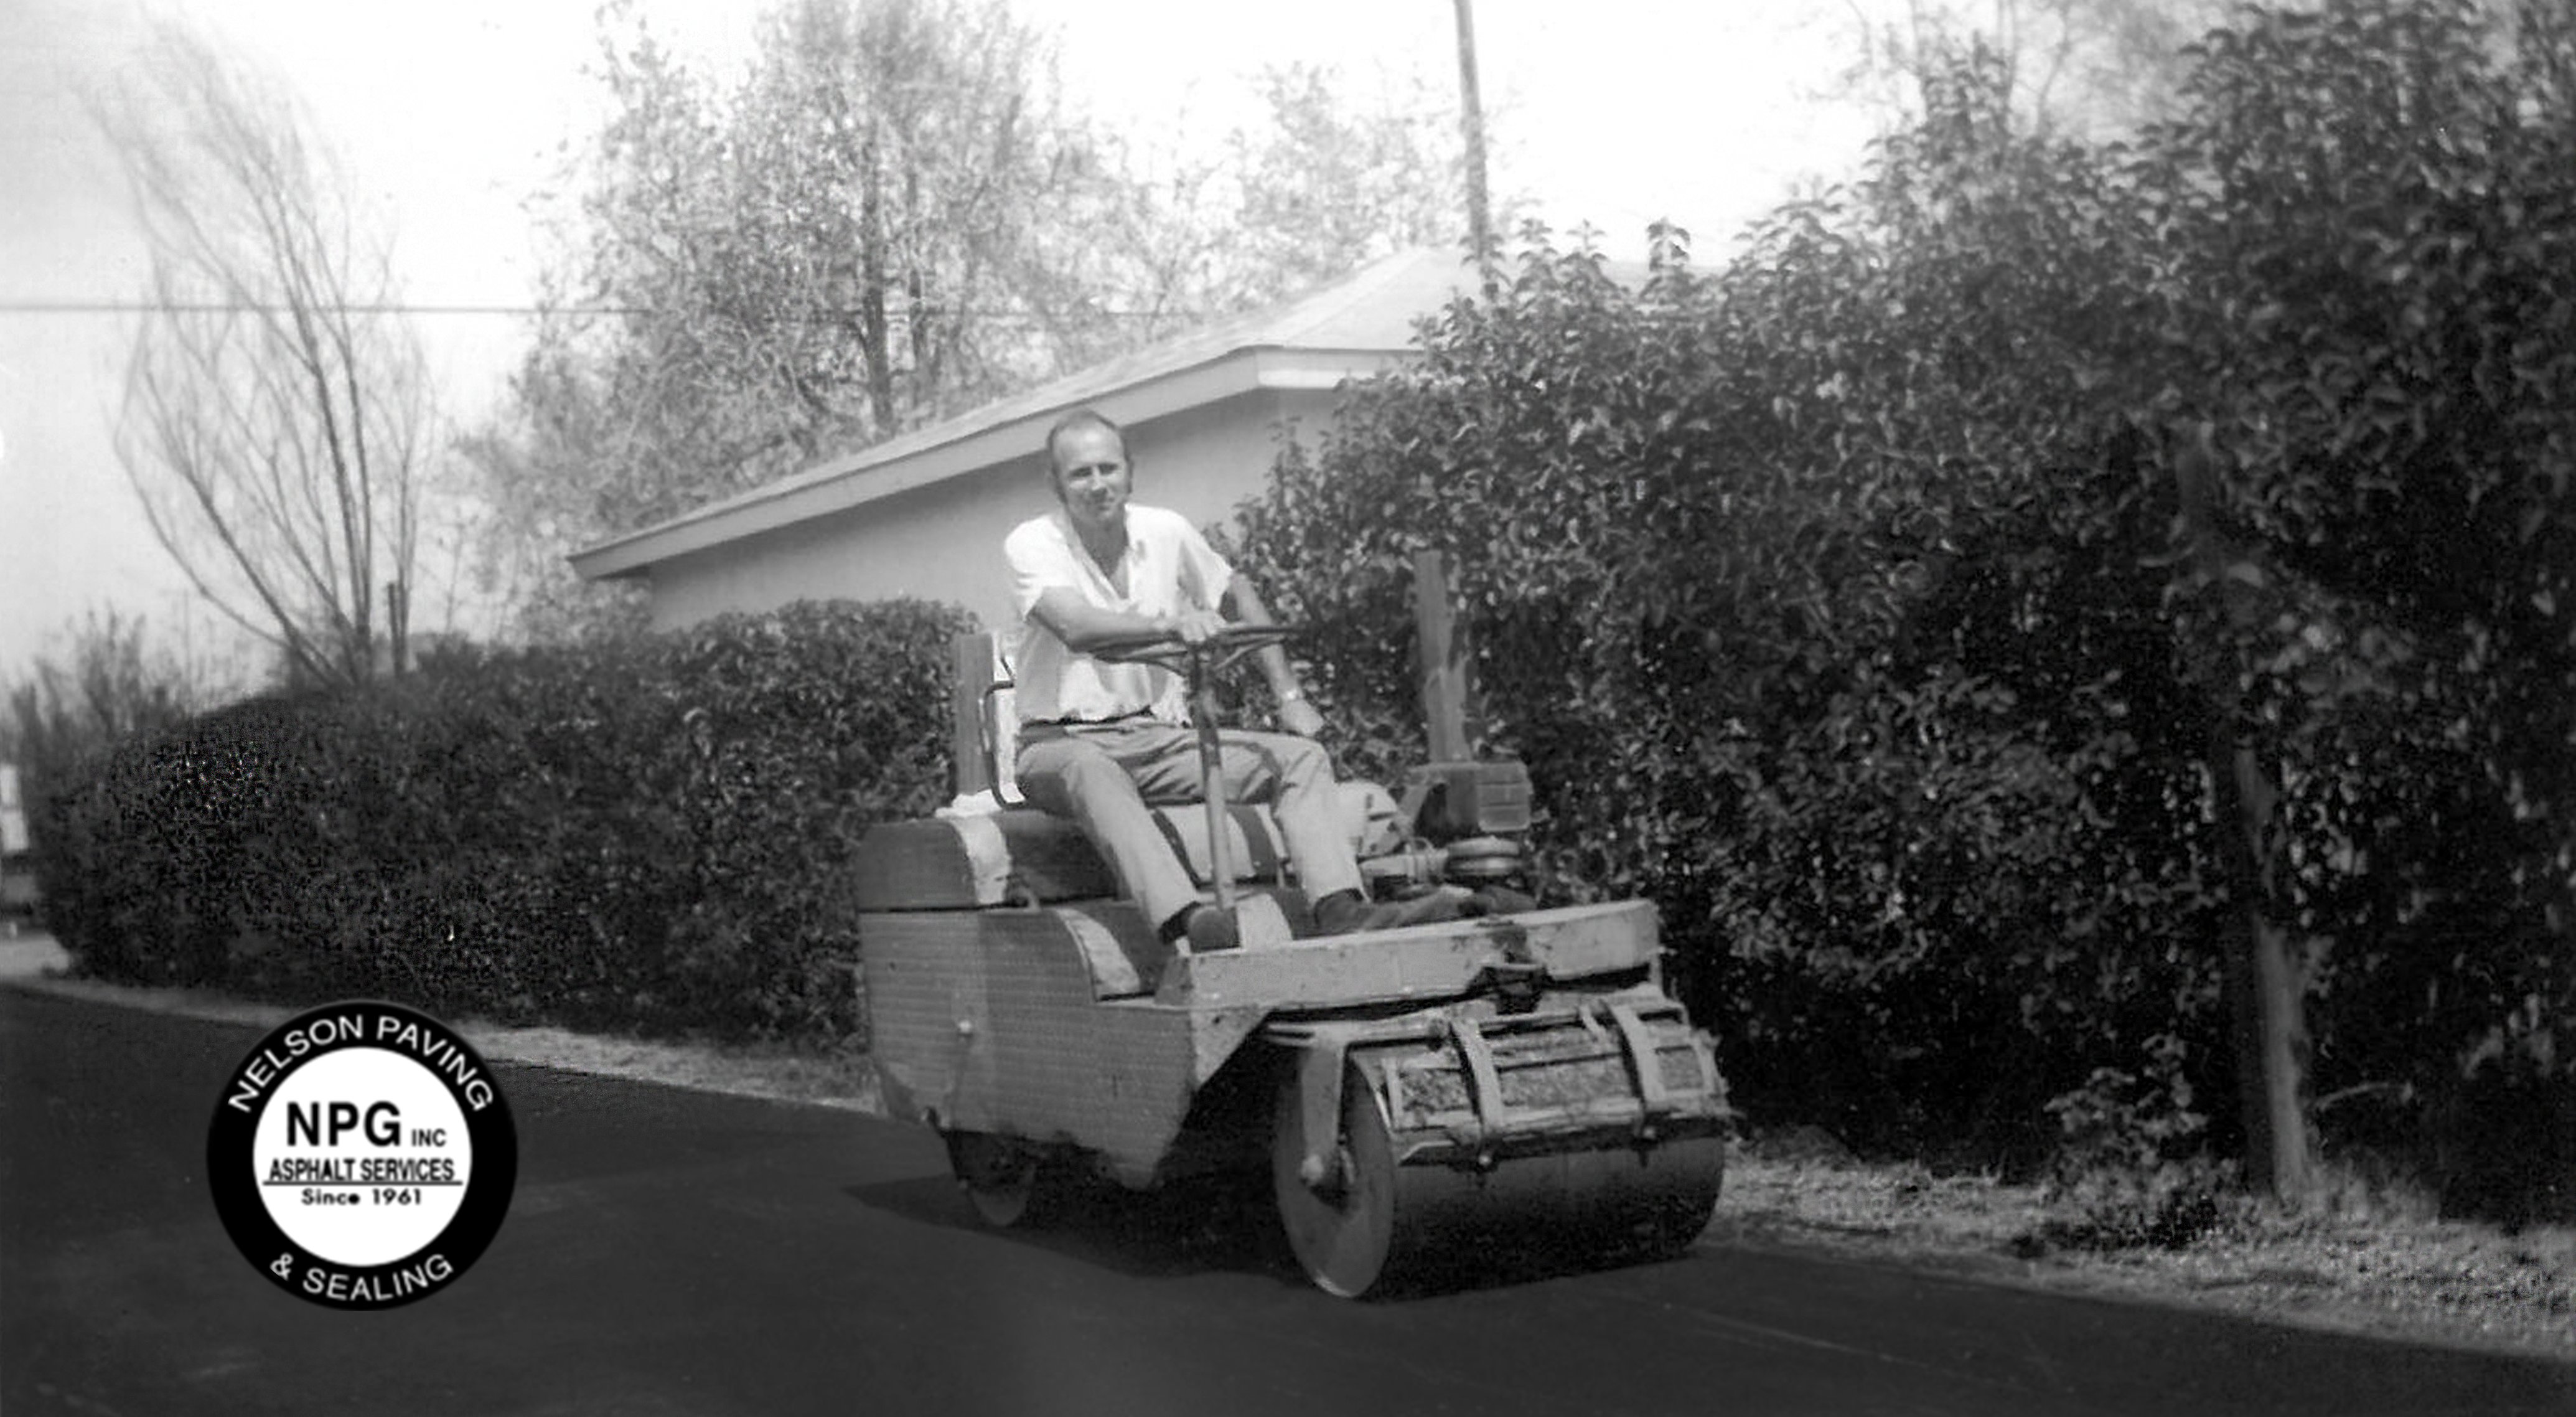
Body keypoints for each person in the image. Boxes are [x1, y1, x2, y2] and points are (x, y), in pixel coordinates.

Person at [1004, 408, 1464, 953]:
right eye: (1081, 474)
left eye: (1108, 468)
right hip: (1059, 745)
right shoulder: (1033, 543)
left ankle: (1339, 907)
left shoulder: (1166, 531)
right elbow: (1076, 627)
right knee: (1092, 769)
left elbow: (1236, 593)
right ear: (1055, 482)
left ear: (1131, 472)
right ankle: (1187, 922)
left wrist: (1288, 696)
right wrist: (1172, 623)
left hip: (1155, 738)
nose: (1098, 485)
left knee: (1299, 758)